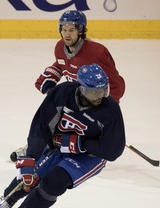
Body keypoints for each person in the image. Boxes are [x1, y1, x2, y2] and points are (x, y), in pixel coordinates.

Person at [0, 64, 126, 208]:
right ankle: (7, 199)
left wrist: (80, 144)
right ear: (81, 88)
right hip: (60, 144)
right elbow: (41, 125)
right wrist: (31, 156)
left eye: (103, 91)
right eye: (93, 92)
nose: (98, 96)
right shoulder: (63, 93)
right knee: (32, 171)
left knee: (55, 181)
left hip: (89, 156)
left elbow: (113, 151)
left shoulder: (110, 110)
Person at [10, 10, 125, 161]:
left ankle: (56, 149)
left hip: (93, 103)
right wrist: (52, 76)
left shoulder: (97, 52)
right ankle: (37, 148)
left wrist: (107, 110)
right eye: (64, 29)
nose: (67, 34)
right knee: (49, 117)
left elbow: (116, 84)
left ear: (81, 30)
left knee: (76, 131)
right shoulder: (60, 47)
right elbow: (62, 64)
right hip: (72, 100)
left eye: (71, 30)